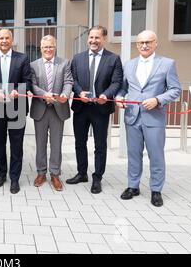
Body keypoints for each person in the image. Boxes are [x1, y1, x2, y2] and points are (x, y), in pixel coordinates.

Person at [116, 30, 181, 207]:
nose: (144, 45)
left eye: (148, 42)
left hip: (154, 118)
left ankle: (156, 190)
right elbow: (122, 89)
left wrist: (158, 100)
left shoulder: (167, 64)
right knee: (133, 154)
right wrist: (119, 98)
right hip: (132, 116)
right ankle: (133, 186)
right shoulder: (129, 65)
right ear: (136, 45)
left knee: (156, 155)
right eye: (141, 42)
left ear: (155, 43)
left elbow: (175, 89)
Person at [66, 25, 123, 194]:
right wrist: (79, 91)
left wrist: (106, 95)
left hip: (101, 108)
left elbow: (117, 82)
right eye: (91, 37)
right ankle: (82, 173)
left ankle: (97, 177)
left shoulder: (113, 59)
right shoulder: (77, 58)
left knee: (100, 145)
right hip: (81, 107)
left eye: (97, 38)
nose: (93, 41)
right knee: (79, 143)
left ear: (103, 39)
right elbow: (73, 79)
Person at [0, 29, 31, 194]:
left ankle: (15, 179)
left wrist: (17, 90)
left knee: (16, 145)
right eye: (1, 38)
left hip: (17, 107)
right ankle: (1, 174)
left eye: (7, 38)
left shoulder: (22, 58)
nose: (4, 41)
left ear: (12, 40)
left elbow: (28, 81)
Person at [30, 35, 73, 191]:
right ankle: (41, 173)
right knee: (40, 144)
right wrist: (44, 95)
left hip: (58, 109)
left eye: (51, 47)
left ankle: (55, 174)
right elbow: (32, 85)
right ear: (41, 49)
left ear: (55, 47)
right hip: (40, 108)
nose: (48, 49)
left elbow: (68, 82)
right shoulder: (33, 65)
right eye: (45, 47)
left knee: (56, 144)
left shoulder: (64, 63)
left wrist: (64, 95)